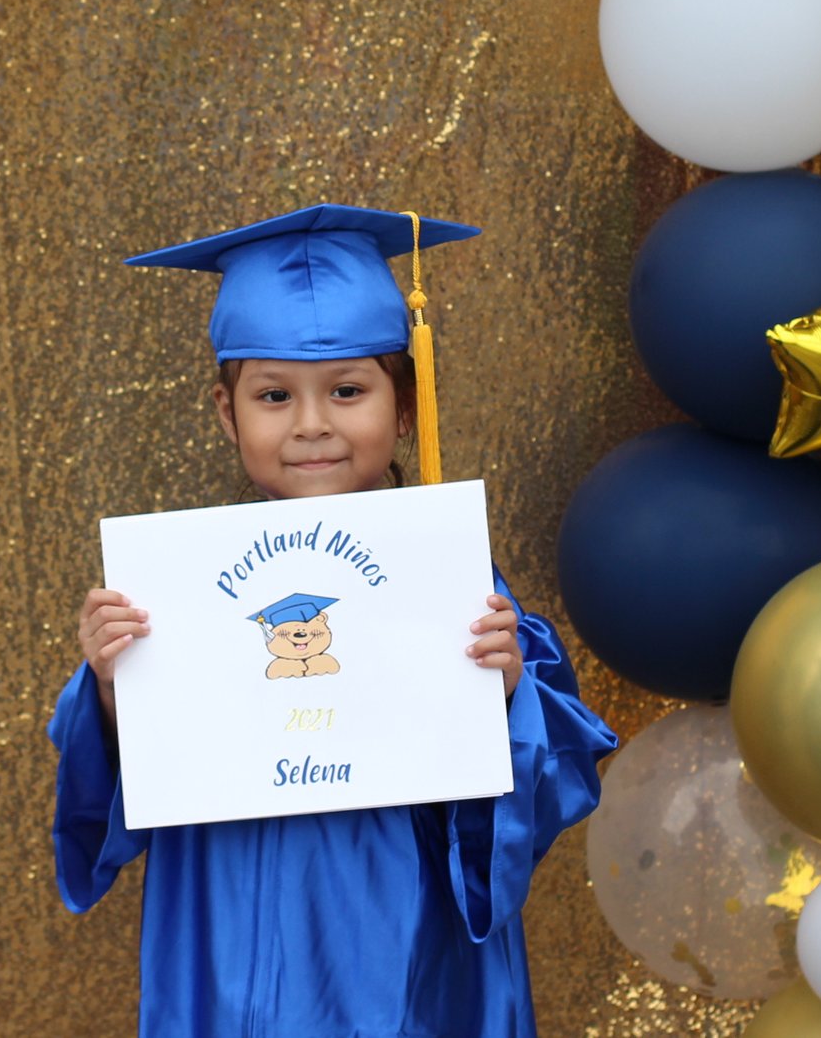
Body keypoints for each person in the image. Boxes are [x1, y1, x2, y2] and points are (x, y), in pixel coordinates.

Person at [48, 205, 618, 1037]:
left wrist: (505, 695)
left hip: (404, 923)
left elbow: (551, 774)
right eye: (274, 395)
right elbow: (116, 787)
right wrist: (109, 685)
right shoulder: (179, 596)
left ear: (406, 402)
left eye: (347, 390)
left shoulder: (454, 580)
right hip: (228, 911)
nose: (312, 423)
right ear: (225, 412)